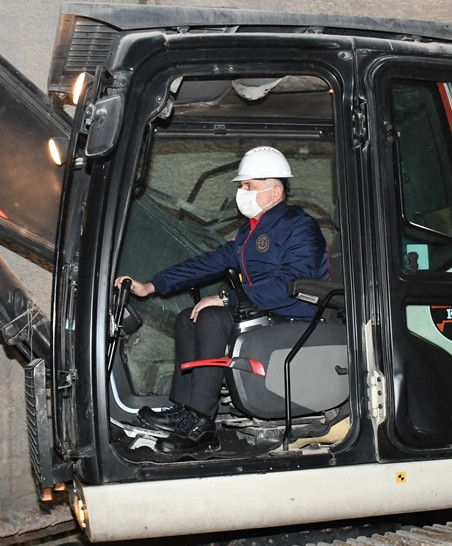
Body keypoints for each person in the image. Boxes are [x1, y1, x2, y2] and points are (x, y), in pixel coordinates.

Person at [115, 146, 329, 453]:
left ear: (275, 192)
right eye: (242, 185)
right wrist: (152, 286)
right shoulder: (251, 233)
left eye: (249, 186)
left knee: (212, 315)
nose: (242, 192)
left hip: (295, 311)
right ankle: (185, 410)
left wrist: (228, 298)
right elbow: (207, 263)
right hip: (263, 305)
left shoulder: (299, 226)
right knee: (187, 317)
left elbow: (291, 285)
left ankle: (202, 421)